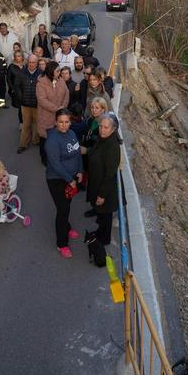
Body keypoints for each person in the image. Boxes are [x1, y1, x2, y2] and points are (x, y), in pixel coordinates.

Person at [45, 108, 83, 258]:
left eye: (67, 122)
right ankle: (62, 243)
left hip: (72, 177)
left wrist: (80, 170)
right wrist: (70, 180)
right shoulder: (52, 140)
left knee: (66, 205)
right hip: (57, 180)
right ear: (55, 122)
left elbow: (77, 153)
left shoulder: (72, 134)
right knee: (62, 210)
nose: (64, 125)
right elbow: (55, 164)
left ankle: (67, 228)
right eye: (61, 122)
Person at [85, 113, 122, 246]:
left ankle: (103, 239)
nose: (102, 129)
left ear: (113, 129)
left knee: (105, 216)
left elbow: (110, 175)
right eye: (101, 126)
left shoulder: (112, 148)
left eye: (106, 127)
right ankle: (100, 232)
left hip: (104, 190)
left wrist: (101, 195)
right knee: (101, 215)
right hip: (97, 183)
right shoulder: (103, 139)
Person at [37, 60, 69, 165]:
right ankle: (44, 158)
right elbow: (42, 100)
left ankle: (55, 157)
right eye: (57, 71)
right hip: (46, 117)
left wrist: (63, 107)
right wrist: (57, 109)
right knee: (44, 139)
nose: (59, 73)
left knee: (56, 139)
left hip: (58, 116)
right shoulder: (41, 83)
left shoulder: (61, 81)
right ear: (51, 72)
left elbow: (66, 94)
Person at [16, 55, 42, 154]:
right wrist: (21, 97)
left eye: (33, 62)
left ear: (37, 63)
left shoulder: (41, 74)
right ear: (27, 62)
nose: (31, 64)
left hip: (37, 104)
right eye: (30, 62)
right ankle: (23, 144)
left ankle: (36, 140)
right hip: (25, 104)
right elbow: (17, 86)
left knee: (36, 124)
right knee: (26, 125)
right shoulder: (21, 73)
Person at [7, 50, 26, 128]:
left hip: (26, 89)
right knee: (21, 107)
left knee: (26, 107)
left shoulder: (26, 66)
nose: (18, 58)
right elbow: (8, 79)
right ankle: (21, 123)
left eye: (19, 56)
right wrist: (13, 89)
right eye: (16, 56)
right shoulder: (11, 67)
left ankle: (27, 122)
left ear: (22, 57)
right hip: (17, 90)